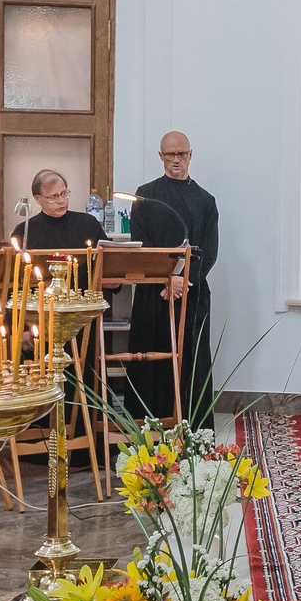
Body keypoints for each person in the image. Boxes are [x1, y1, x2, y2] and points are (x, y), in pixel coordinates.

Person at [129, 131, 219, 427]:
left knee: (191, 363)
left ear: (191, 155)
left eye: (181, 154)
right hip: (154, 293)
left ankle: (193, 430)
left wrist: (183, 280)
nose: (176, 160)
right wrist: (167, 279)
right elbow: (141, 244)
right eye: (170, 155)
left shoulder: (205, 200)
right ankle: (149, 430)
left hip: (191, 295)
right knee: (151, 362)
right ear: (161, 157)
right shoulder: (144, 195)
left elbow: (209, 250)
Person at [13, 169, 105, 250]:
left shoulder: (88, 223)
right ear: (38, 199)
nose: (61, 201)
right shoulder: (25, 230)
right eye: (54, 196)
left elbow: (107, 257)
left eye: (63, 194)